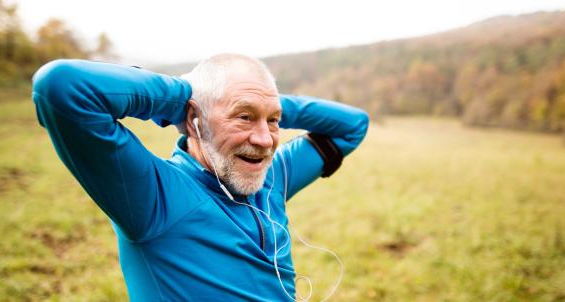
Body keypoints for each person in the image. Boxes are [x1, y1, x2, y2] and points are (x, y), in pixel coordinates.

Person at [32, 53, 369, 301]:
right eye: (244, 117)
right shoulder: (156, 197)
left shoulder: (271, 177)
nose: (265, 140)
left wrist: (265, 104)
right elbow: (61, 86)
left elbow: (353, 125)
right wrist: (186, 99)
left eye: (273, 122)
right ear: (193, 119)